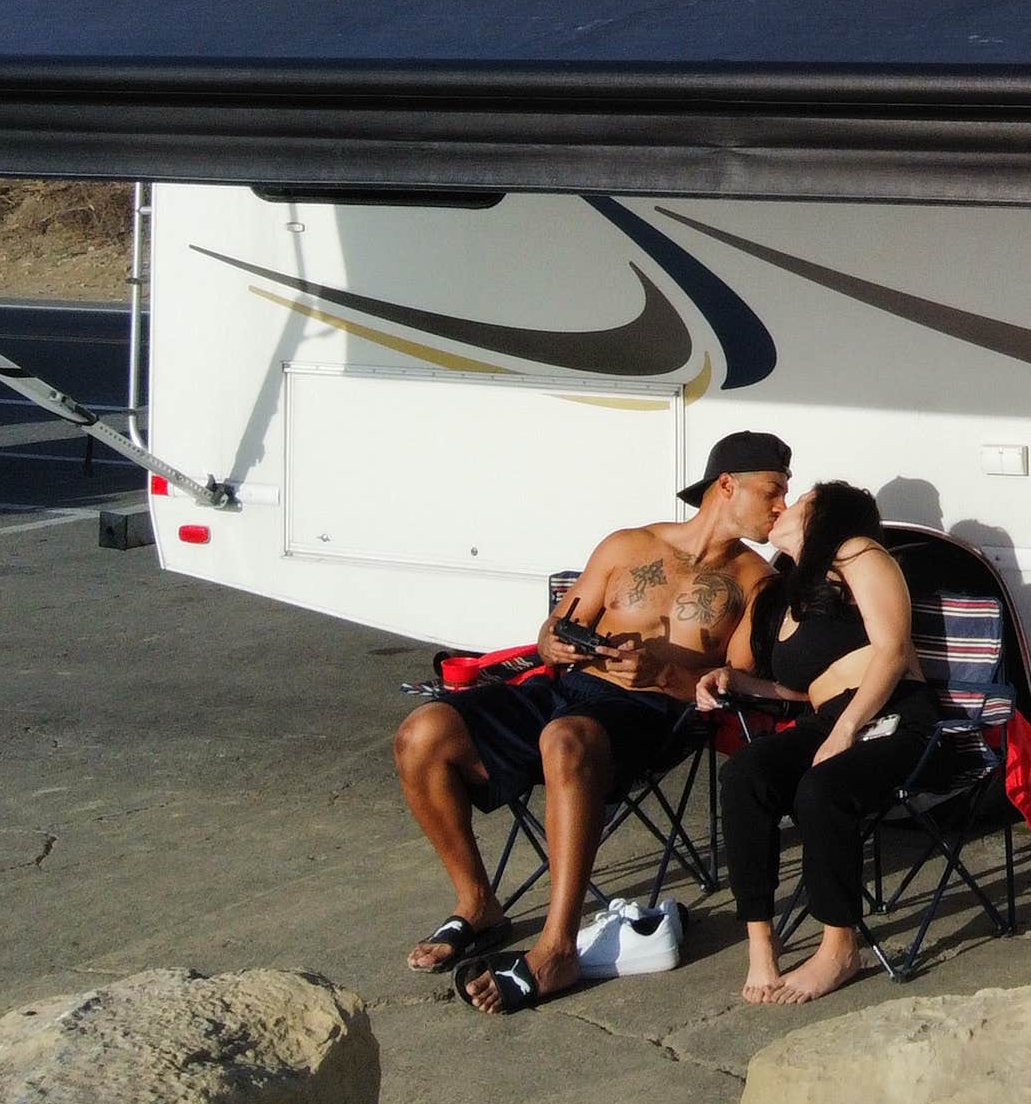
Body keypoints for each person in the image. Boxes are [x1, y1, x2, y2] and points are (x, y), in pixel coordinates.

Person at [393, 428, 790, 1013]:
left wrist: (660, 675)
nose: (782, 506)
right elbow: (552, 631)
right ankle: (476, 902)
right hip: (566, 689)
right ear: (727, 485)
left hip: (655, 713)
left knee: (565, 739)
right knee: (422, 731)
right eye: (773, 491)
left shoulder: (757, 583)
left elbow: (733, 688)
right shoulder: (627, 545)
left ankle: (557, 948)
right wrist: (557, 644)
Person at [698, 478, 928, 1005]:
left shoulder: (860, 555)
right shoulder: (790, 589)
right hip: (827, 718)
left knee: (821, 789)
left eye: (799, 501)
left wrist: (847, 731)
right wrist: (735, 681)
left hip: (892, 717)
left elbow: (891, 651)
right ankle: (761, 941)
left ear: (824, 518)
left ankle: (839, 947)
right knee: (743, 776)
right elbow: (802, 692)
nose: (785, 505)